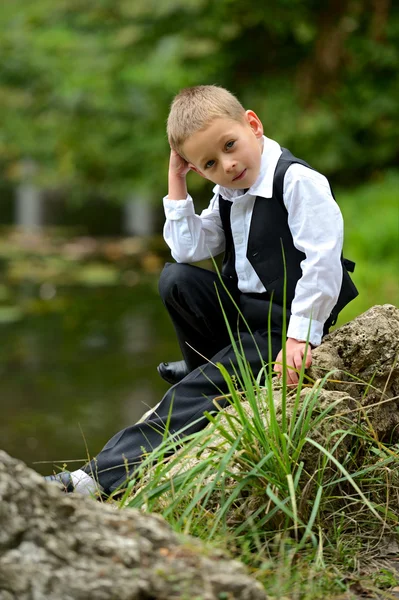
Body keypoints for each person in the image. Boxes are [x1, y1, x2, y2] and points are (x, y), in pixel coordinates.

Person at [45, 85, 358, 496]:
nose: (227, 166)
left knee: (197, 394)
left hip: (282, 326)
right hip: (245, 316)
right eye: (208, 163)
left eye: (230, 146)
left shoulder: (296, 181)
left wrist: (301, 336)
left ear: (253, 124)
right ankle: (203, 364)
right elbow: (188, 249)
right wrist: (176, 180)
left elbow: (323, 260)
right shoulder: (227, 192)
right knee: (176, 278)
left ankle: (94, 479)